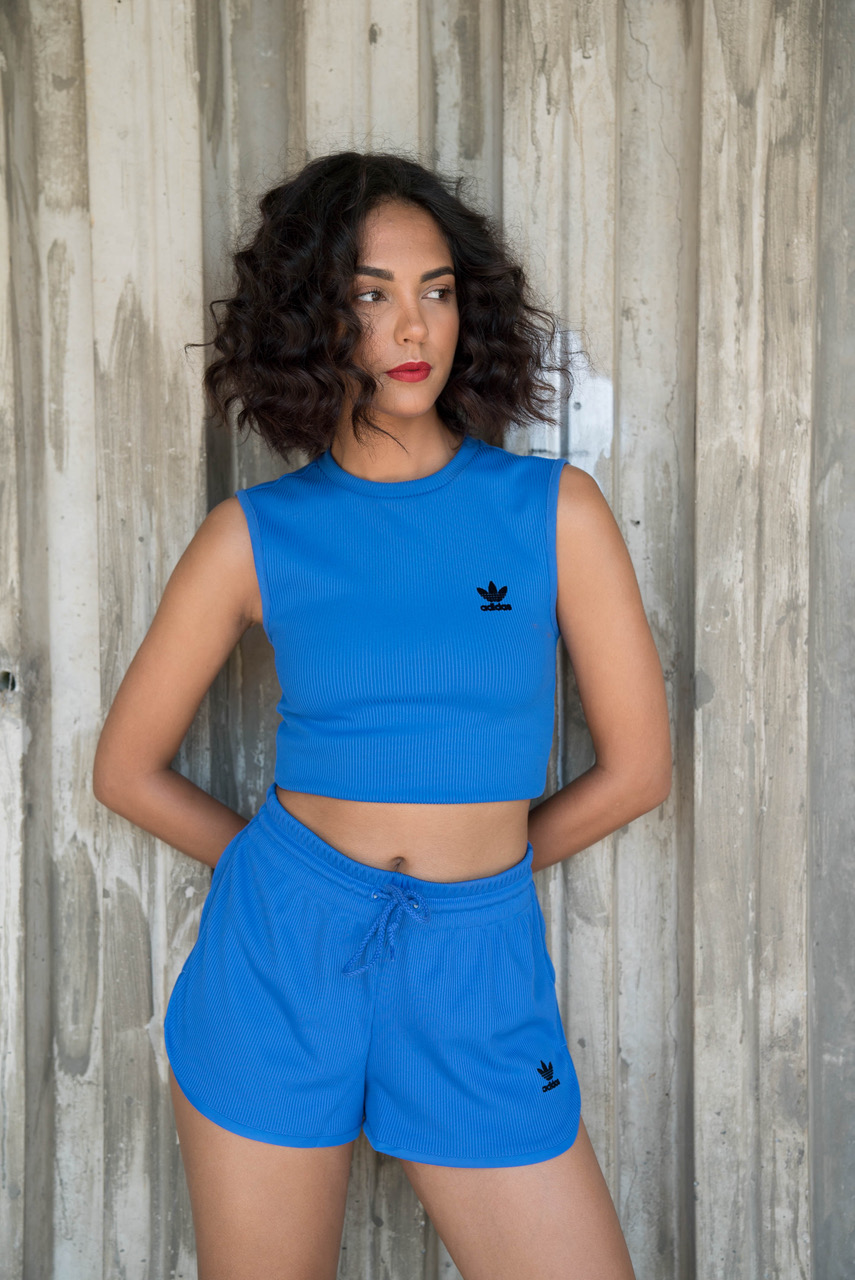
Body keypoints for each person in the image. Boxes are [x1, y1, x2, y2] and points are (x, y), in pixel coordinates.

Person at [93, 150, 671, 1280]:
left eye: (436, 290)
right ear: (313, 320)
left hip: (477, 964)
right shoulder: (254, 534)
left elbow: (638, 771)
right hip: (280, 962)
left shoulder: (553, 512)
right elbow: (126, 770)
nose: (414, 326)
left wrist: (475, 875)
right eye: (371, 295)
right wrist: (302, 879)